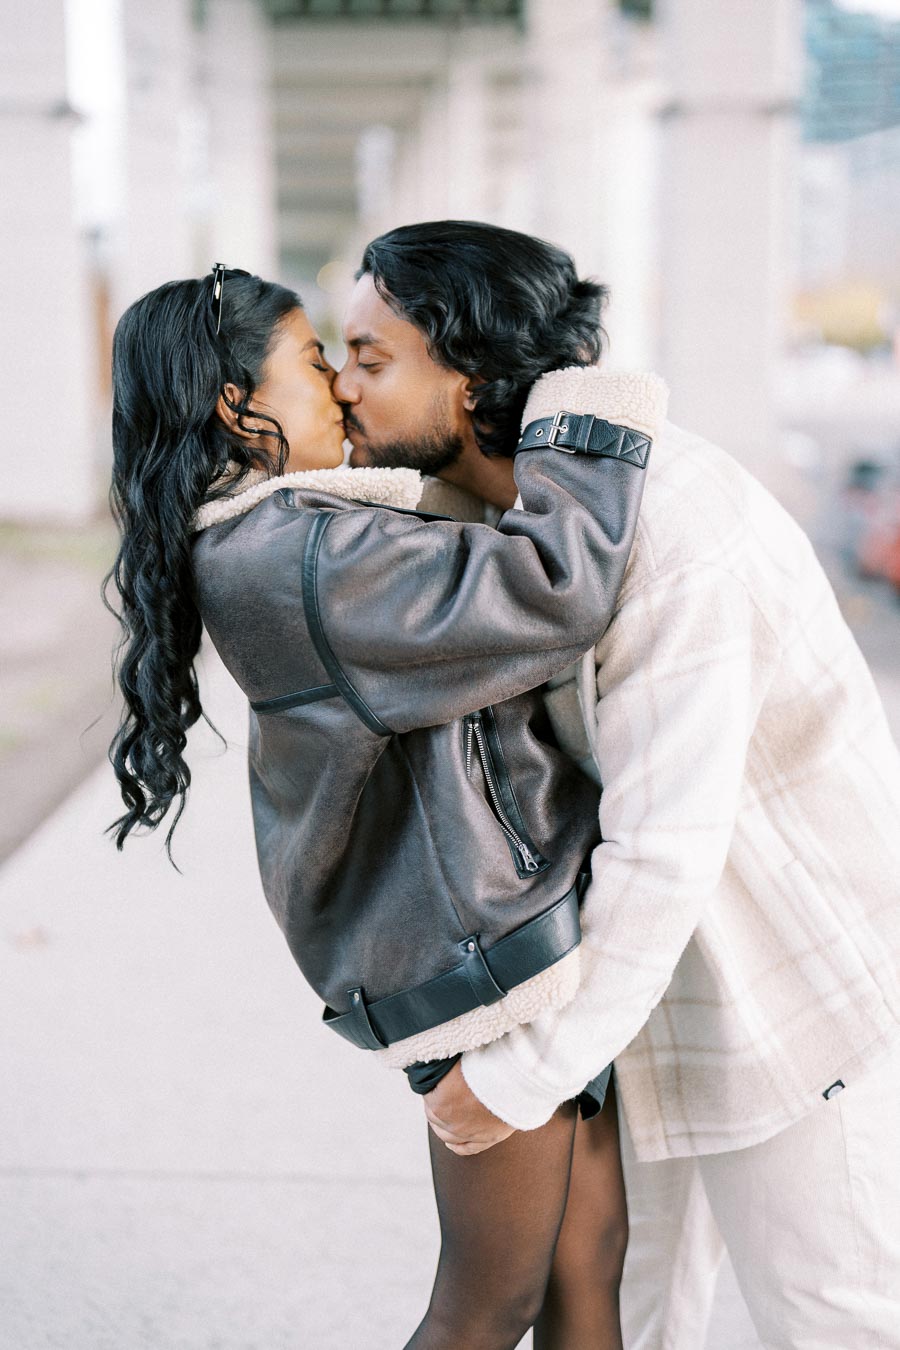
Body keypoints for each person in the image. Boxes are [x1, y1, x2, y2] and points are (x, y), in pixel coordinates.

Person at [335, 219, 900, 1348]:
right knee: (623, 1317)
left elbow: (668, 849)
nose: (341, 387)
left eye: (369, 357)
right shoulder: (481, 519)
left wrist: (515, 1082)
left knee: (829, 1313)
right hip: (623, 996)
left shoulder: (674, 529)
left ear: (476, 380)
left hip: (783, 985)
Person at [104, 262, 655, 1348]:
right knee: (485, 1306)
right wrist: (588, 416)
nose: (345, 391)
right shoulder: (302, 555)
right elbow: (553, 590)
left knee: (584, 1266)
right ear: (236, 405)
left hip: (507, 947)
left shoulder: (292, 537)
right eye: (318, 366)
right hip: (481, 967)